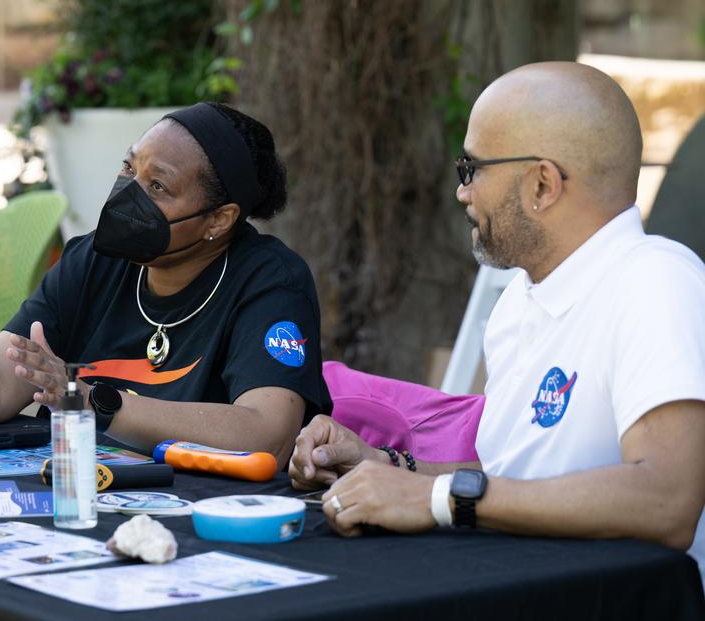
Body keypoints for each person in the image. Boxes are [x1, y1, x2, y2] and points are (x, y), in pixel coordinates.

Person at [288, 62, 705, 575]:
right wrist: (384, 465)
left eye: (472, 169)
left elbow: (667, 498)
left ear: (542, 185)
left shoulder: (656, 281)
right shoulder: (519, 301)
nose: (462, 191)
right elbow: (514, 475)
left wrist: (438, 498)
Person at [0, 102, 332, 462]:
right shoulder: (95, 259)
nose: (130, 193)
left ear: (219, 219)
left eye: (158, 187)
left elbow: (266, 433)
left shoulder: (270, 281)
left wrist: (94, 403)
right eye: (130, 168)